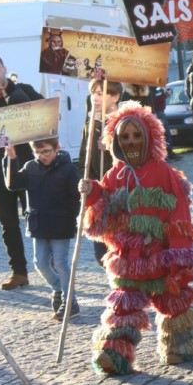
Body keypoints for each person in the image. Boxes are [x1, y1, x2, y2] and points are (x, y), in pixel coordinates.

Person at [79, 103, 193, 374]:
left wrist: (178, 255)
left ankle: (179, 347)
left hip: (159, 253)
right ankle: (114, 354)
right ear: (116, 141)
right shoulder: (115, 174)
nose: (131, 142)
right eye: (125, 137)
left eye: (136, 136)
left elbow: (179, 214)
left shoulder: (164, 172)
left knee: (174, 301)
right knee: (124, 305)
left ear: (149, 138)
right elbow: (104, 215)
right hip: (128, 258)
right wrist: (92, 193)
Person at [0, 54, 43, 289]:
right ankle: (19, 272)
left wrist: (11, 93)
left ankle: (49, 266)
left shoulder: (22, 89)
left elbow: (44, 114)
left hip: (25, 165)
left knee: (33, 215)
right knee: (7, 221)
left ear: (4, 68)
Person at [3, 137, 80, 320]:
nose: (42, 156)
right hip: (39, 224)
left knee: (60, 263)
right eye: (38, 152)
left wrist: (77, 221)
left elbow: (76, 197)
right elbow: (12, 185)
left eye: (46, 151)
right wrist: (11, 158)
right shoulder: (31, 167)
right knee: (40, 263)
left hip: (61, 224)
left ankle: (71, 302)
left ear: (56, 148)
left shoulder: (68, 169)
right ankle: (58, 289)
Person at [79, 79, 123, 265]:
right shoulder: (92, 123)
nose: (94, 98)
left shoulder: (125, 120)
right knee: (101, 254)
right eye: (92, 93)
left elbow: (134, 157)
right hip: (98, 194)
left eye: (100, 93)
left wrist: (112, 148)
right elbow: (84, 158)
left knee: (120, 248)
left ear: (115, 97)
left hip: (120, 192)